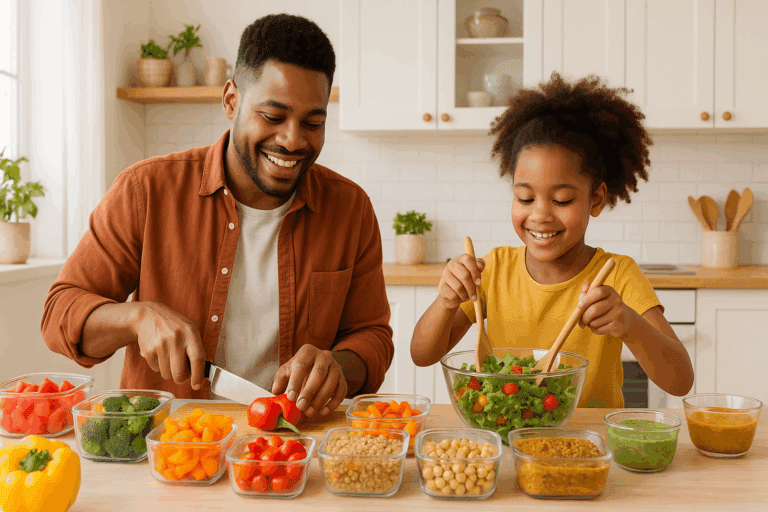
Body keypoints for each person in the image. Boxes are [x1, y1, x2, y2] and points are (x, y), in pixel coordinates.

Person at [41, 14, 393, 418]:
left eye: (313, 122)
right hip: (170, 447)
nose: (293, 140)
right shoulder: (147, 190)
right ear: (230, 100)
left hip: (291, 447)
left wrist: (339, 367)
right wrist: (136, 318)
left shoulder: (350, 209)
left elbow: (373, 337)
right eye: (273, 117)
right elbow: (59, 315)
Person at [411, 73, 694, 408]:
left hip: (589, 446)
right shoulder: (494, 270)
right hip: (511, 439)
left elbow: (680, 382)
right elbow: (422, 354)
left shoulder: (616, 274)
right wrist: (445, 302)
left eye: (561, 200)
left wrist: (629, 325)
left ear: (596, 200)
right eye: (526, 199)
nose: (541, 215)